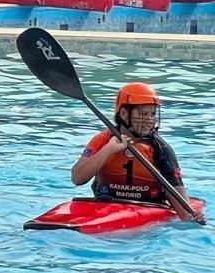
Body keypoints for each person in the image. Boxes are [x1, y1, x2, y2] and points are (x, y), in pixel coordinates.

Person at [71, 82, 203, 221]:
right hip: (104, 204)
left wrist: (191, 217)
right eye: (144, 114)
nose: (149, 120)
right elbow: (78, 178)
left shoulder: (161, 149)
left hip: (149, 207)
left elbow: (182, 209)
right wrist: (108, 150)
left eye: (152, 114)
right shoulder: (103, 140)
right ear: (123, 114)